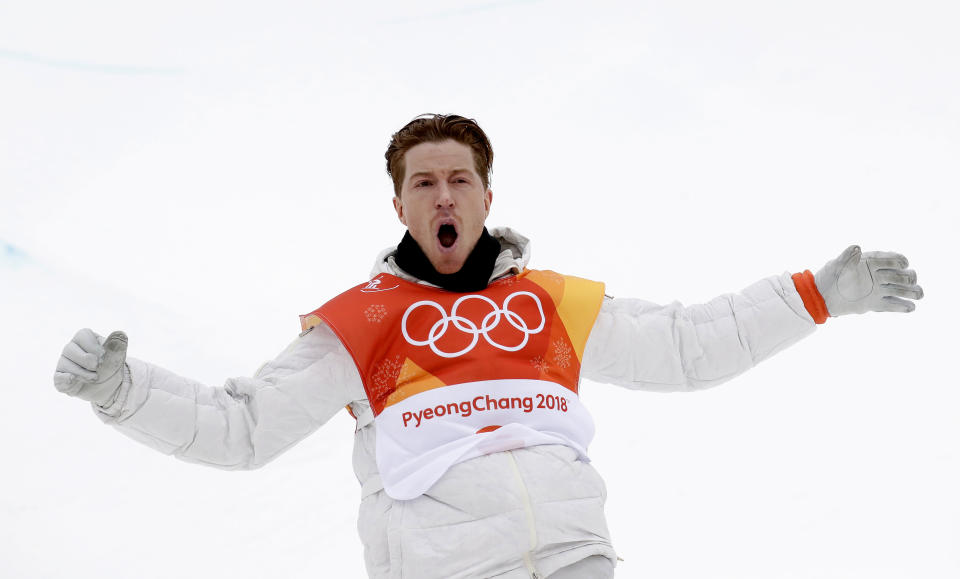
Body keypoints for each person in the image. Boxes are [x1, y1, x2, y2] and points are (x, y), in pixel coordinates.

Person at [54, 114, 924, 579]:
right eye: (423, 182)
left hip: (580, 560)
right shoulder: (362, 323)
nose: (443, 194)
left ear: (484, 194)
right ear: (400, 206)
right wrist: (123, 390)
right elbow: (242, 429)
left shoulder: (547, 303)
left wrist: (814, 295)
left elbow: (691, 345)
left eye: (457, 179)